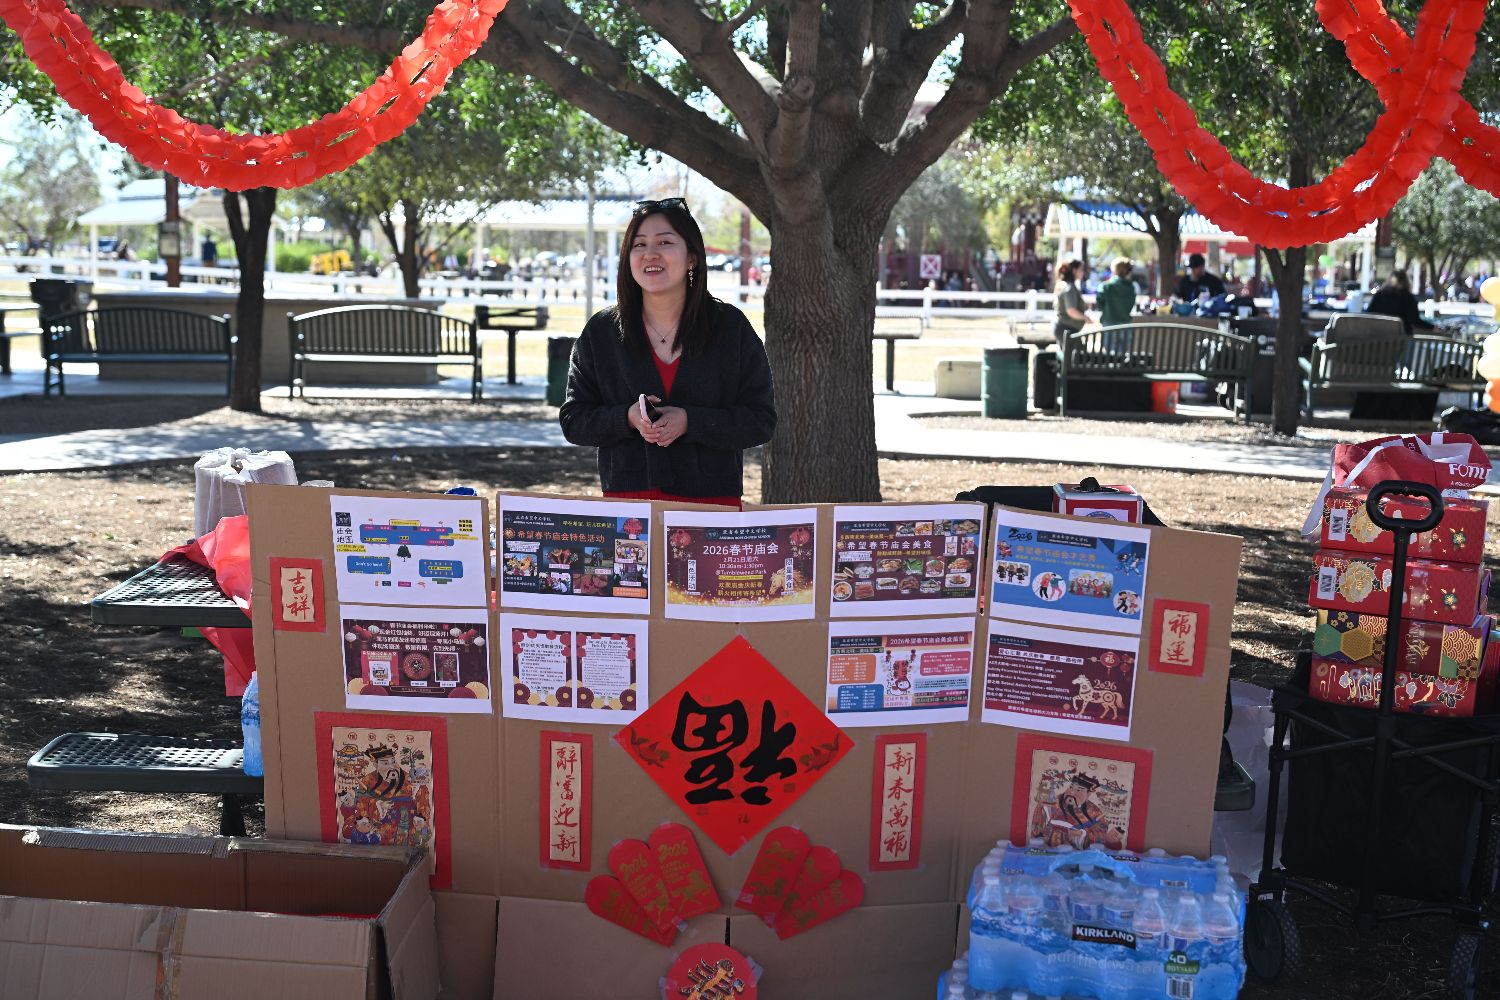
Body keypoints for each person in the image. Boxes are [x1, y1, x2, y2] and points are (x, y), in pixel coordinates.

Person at [559, 197, 776, 509]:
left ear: (692, 257)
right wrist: (626, 418)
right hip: (629, 510)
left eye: (664, 242)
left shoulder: (730, 327)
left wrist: (691, 422)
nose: (650, 253)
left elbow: (761, 420)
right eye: (639, 245)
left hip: (712, 508)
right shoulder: (601, 332)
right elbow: (574, 420)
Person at [1365, 270, 1435, 334]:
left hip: (1377, 338)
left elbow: (1368, 314)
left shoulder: (1379, 295)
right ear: (1405, 282)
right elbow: (1415, 321)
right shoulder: (1408, 298)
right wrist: (1432, 327)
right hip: (1400, 340)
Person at [1095, 256, 1137, 350]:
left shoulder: (1106, 286)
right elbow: (1131, 305)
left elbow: (1099, 303)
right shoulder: (1131, 288)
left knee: (1110, 355)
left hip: (1109, 324)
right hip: (1126, 324)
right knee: (1124, 354)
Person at [1052, 258, 1088, 340]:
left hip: (1065, 329)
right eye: (1081, 269)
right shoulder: (1069, 287)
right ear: (1074, 270)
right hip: (1066, 329)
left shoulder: (1065, 285)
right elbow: (1071, 310)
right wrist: (1085, 318)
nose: (1083, 272)